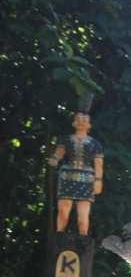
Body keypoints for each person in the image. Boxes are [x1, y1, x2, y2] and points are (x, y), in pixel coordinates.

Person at [48, 94, 103, 235]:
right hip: (67, 176)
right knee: (63, 211)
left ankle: (82, 240)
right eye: (78, 119)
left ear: (89, 124)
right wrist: (54, 159)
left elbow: (98, 164)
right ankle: (59, 236)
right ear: (74, 122)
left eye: (84, 120)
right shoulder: (66, 140)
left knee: (83, 217)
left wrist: (98, 180)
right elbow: (58, 154)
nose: (81, 122)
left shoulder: (95, 144)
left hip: (87, 179)